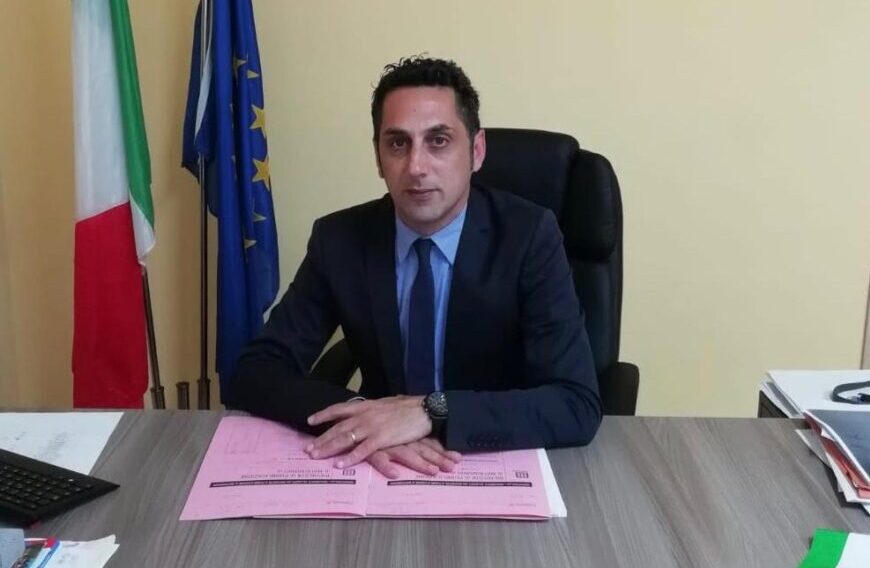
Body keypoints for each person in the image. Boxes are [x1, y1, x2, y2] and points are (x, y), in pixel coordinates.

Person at [225, 56, 601, 479]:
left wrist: (431, 412)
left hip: (487, 461)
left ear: (476, 151)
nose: (416, 167)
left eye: (438, 141)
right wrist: (363, 419)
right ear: (378, 157)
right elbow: (255, 371)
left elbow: (576, 403)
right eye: (398, 144)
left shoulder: (529, 236)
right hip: (383, 471)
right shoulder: (340, 240)